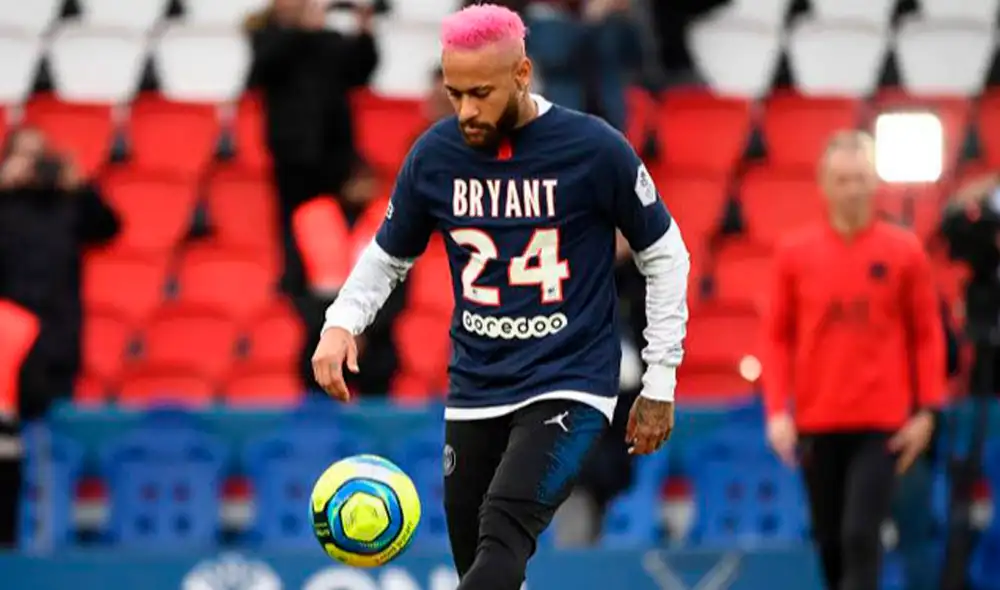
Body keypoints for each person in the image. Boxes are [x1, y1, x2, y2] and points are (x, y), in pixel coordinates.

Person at [310, 4, 689, 588]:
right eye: (454, 93)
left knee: (502, 530)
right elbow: (388, 257)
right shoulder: (435, 156)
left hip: (571, 381)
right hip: (477, 385)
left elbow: (665, 254)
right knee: (483, 564)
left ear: (523, 73)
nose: (465, 111)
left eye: (480, 93)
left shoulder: (593, 148)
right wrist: (341, 323)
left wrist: (661, 379)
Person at [762, 130, 947, 590]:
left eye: (860, 178)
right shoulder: (794, 254)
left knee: (861, 535)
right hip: (816, 420)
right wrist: (774, 411)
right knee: (829, 542)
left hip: (881, 422)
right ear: (823, 183)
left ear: (875, 182)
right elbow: (775, 337)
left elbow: (927, 334)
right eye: (842, 179)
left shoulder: (904, 251)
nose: (852, 189)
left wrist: (928, 410)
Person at [0, 126, 120, 546]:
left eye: (41, 157)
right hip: (6, 344)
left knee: (48, 445)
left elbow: (109, 227)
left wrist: (80, 183)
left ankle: (48, 540)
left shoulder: (68, 202)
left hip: (57, 340)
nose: (36, 167)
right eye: (26, 157)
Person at [245, 0, 378, 295]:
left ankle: (339, 280)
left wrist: (365, 30)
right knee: (292, 220)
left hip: (333, 148)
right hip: (291, 150)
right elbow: (260, 72)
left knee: (337, 218)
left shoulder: (328, 40)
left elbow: (361, 72)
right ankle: (294, 280)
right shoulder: (267, 36)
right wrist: (300, 31)